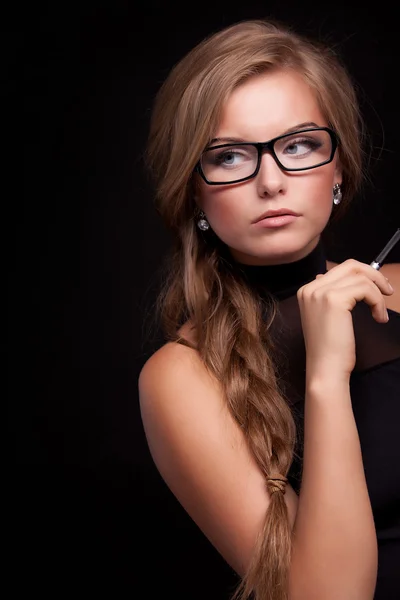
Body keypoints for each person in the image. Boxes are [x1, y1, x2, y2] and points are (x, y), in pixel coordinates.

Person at [138, 18, 400, 600]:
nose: (272, 181)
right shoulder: (182, 377)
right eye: (230, 157)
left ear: (339, 167)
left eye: (299, 145)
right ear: (193, 189)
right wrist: (326, 375)